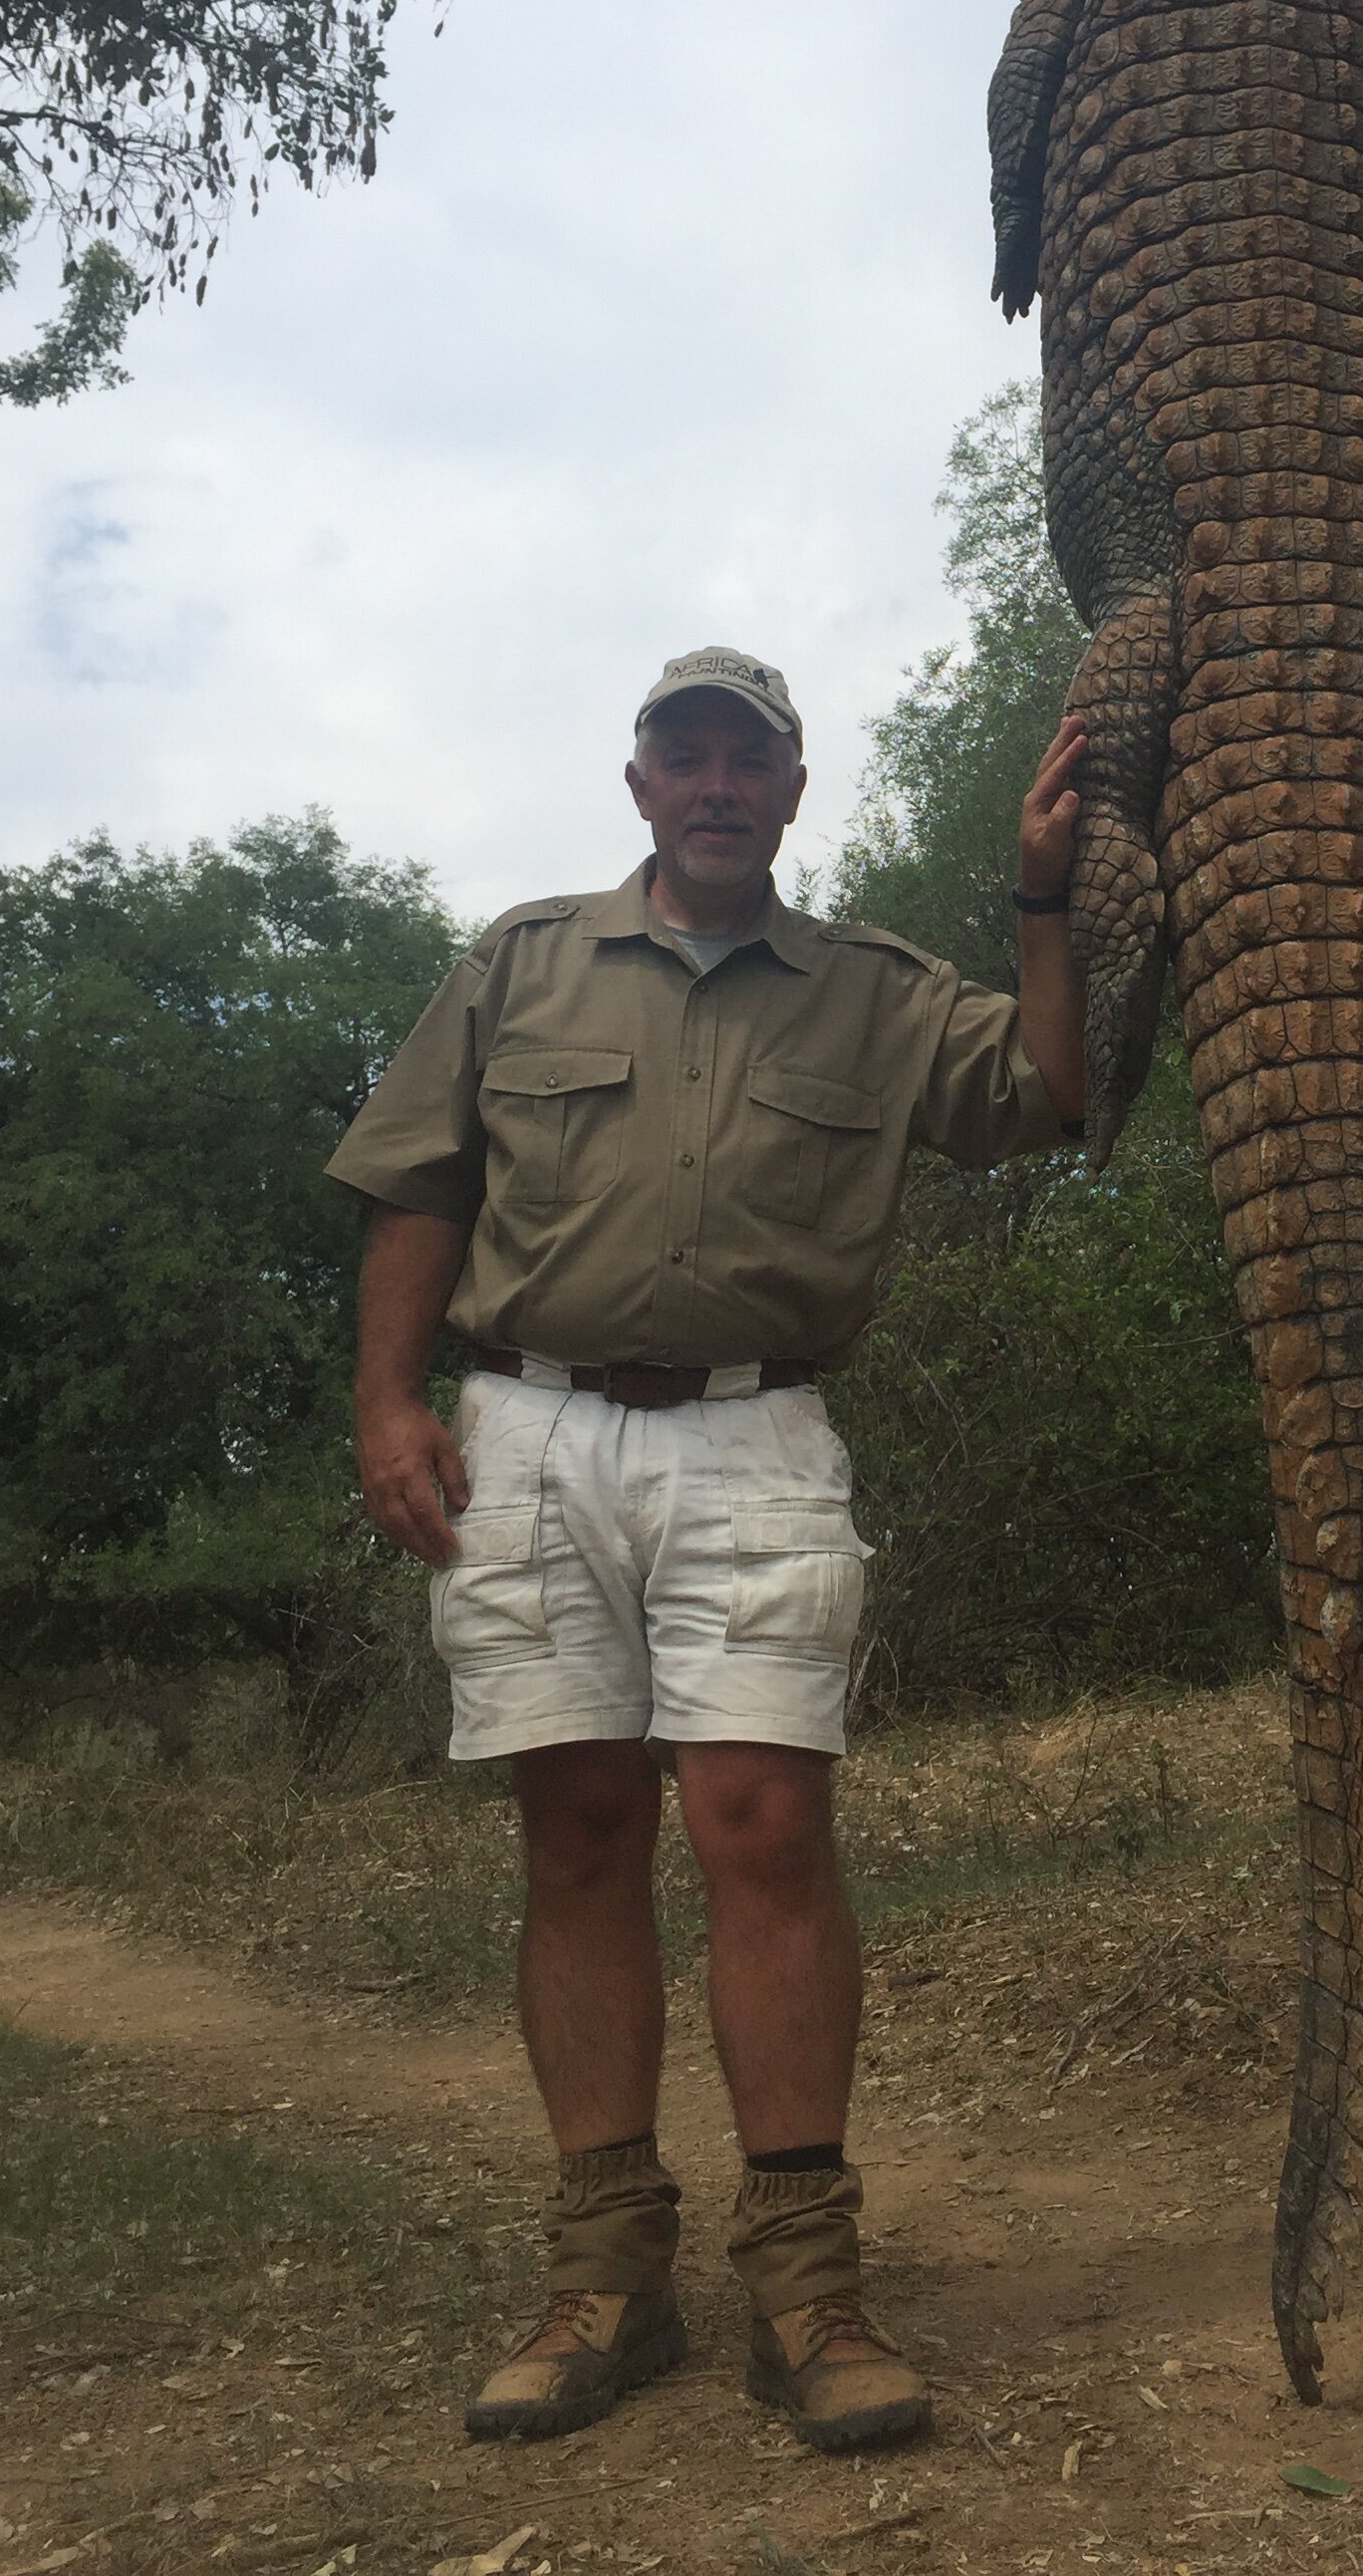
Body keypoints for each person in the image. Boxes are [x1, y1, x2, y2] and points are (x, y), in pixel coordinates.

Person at [329, 645, 1086, 2454]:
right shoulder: (519, 962)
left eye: (752, 758)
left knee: (764, 1823)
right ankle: (606, 2276)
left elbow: (1046, 1096)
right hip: (525, 1425)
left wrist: (1045, 898)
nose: (719, 783)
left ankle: (808, 2289)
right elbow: (423, 1186)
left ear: (796, 793)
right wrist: (387, 1403)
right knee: (579, 1830)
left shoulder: (880, 992)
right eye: (689, 755)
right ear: (642, 783)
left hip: (755, 1430)